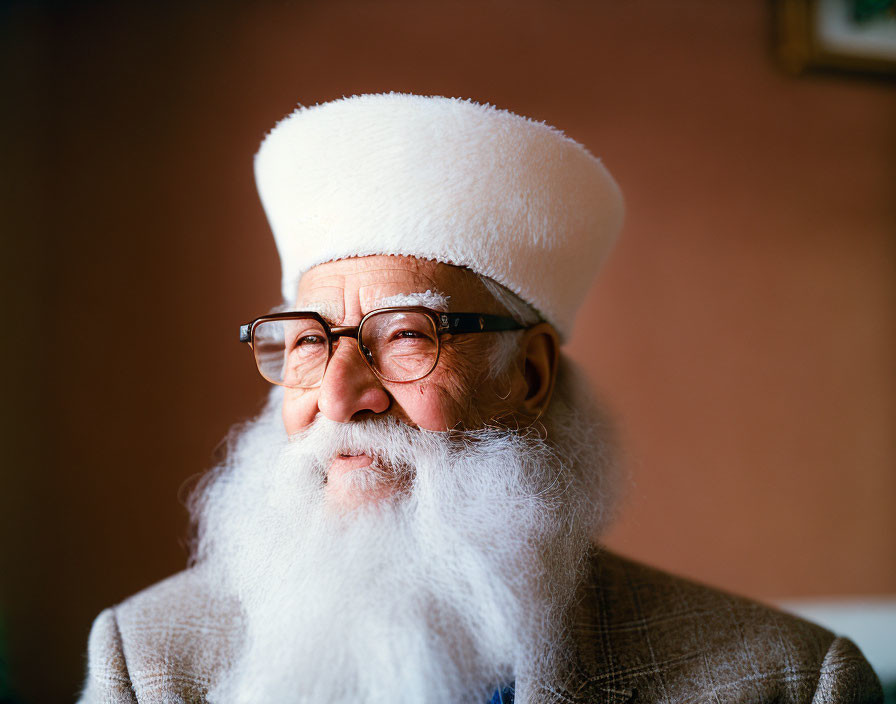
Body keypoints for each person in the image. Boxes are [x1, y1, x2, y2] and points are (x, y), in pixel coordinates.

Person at [79, 94, 882, 704]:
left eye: (404, 336)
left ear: (527, 376)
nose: (338, 395)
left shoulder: (782, 678)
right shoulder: (148, 657)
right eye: (305, 342)